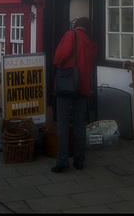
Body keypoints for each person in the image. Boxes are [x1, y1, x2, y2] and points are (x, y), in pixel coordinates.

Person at [51, 17, 98, 173]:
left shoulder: (71, 35)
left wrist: (58, 64)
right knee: (79, 124)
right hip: (83, 87)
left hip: (67, 84)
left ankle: (63, 161)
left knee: (63, 123)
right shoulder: (92, 43)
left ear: (76, 26)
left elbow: (59, 56)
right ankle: (79, 160)